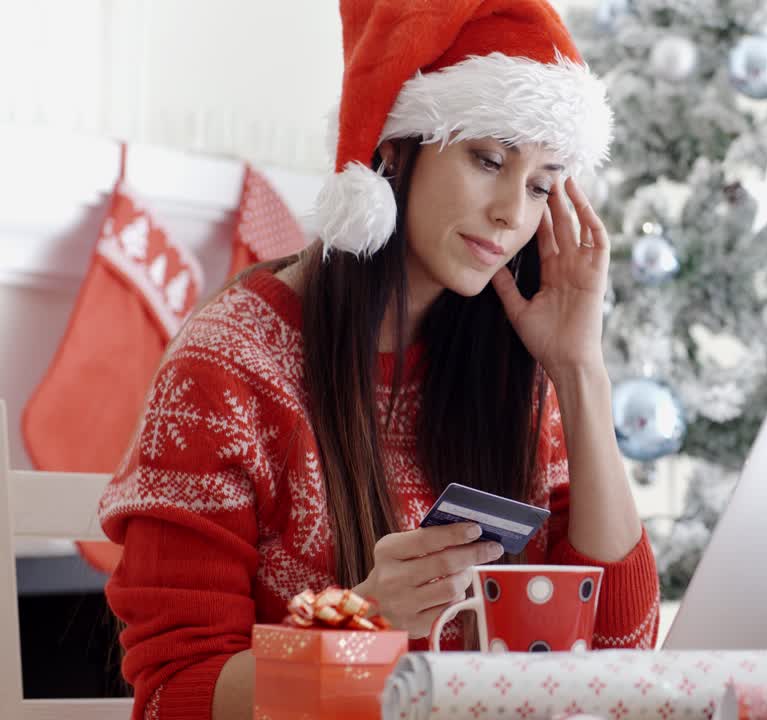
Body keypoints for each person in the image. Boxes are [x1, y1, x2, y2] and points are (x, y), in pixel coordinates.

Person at [97, 1, 660, 718]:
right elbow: (176, 693)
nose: (513, 213)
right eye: (489, 160)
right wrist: (362, 623)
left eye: (543, 183)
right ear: (392, 150)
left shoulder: (516, 368)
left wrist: (581, 373)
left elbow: (621, 656)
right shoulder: (227, 368)